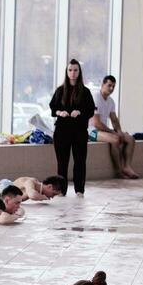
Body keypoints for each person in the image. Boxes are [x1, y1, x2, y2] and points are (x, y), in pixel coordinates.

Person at [50, 59, 96, 196]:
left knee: (80, 161)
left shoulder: (85, 92)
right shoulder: (60, 90)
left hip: (79, 131)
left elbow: (91, 110)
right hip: (62, 131)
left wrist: (80, 112)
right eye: (70, 70)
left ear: (79, 72)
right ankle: (61, 190)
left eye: (75, 70)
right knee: (62, 163)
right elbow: (53, 108)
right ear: (67, 72)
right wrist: (60, 112)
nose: (73, 73)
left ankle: (79, 190)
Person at [92, 75, 138, 179]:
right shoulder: (95, 98)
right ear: (102, 85)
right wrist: (113, 132)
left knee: (130, 139)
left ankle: (127, 166)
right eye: (109, 85)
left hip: (102, 131)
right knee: (115, 139)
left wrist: (119, 131)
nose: (111, 88)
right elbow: (96, 123)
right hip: (90, 131)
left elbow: (114, 120)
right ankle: (118, 171)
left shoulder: (111, 101)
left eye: (113, 86)